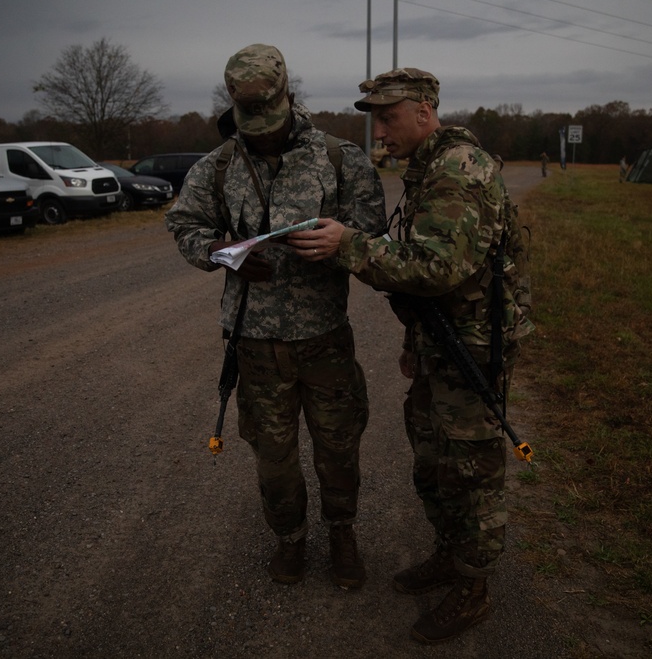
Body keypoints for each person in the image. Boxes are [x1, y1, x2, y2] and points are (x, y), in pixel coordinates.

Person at [288, 68, 535, 643]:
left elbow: (437, 268)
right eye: (374, 117)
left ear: (425, 111)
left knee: (472, 468)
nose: (380, 130)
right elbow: (431, 274)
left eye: (389, 116)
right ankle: (450, 555)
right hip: (442, 342)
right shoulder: (429, 168)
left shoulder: (459, 171)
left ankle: (474, 588)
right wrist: (412, 342)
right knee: (434, 459)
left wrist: (346, 243)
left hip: (473, 348)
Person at [165, 44, 387, 589]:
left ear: (289, 98)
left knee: (339, 447)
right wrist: (225, 252)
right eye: (250, 122)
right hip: (255, 343)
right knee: (274, 456)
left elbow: (376, 236)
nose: (260, 132)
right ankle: (289, 540)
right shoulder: (216, 166)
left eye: (269, 118)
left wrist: (342, 242)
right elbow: (184, 228)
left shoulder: (340, 159)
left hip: (325, 338)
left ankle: (342, 534)